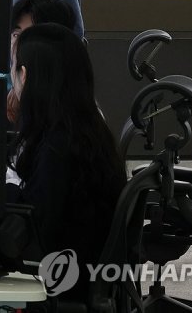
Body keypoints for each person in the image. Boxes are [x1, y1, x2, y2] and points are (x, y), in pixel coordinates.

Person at [7, 23, 126, 301]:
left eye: (13, 67)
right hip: (86, 275)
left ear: (25, 76)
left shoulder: (57, 148)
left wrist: (5, 186)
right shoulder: (88, 131)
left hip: (61, 284)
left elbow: (35, 232)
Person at [6, 0, 76, 123]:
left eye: (31, 35)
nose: (20, 45)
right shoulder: (9, 104)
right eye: (16, 35)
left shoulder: (70, 116)